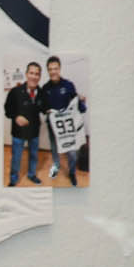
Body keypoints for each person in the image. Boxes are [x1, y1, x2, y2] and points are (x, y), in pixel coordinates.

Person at [41, 56, 85, 185]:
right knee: (55, 148)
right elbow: (42, 106)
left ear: (59, 69)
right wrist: (46, 110)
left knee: (72, 152)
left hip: (68, 127)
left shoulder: (68, 85)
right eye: (50, 69)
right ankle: (56, 165)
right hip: (53, 125)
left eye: (55, 68)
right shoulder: (45, 88)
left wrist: (82, 103)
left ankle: (72, 172)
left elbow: (76, 103)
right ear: (48, 70)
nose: (53, 71)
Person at [5, 61, 45, 185]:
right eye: (31, 73)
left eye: (37, 74)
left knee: (34, 155)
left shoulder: (42, 93)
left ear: (39, 76)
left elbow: (45, 108)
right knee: (16, 157)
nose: (34, 76)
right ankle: (13, 179)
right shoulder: (15, 92)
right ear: (27, 74)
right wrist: (16, 117)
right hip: (18, 132)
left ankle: (32, 175)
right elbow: (7, 110)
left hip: (34, 131)